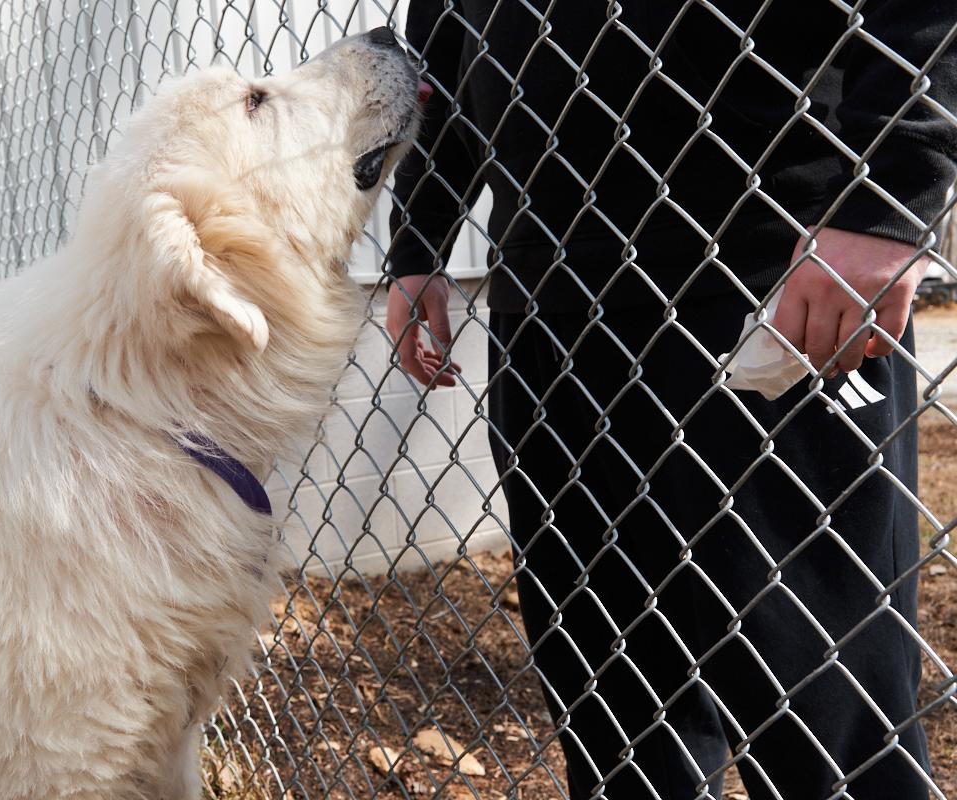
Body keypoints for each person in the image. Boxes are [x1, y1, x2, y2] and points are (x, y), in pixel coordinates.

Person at [385, 2, 957, 798]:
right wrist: (417, 239)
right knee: (620, 740)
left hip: (768, 283)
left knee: (828, 738)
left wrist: (888, 192)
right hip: (546, 303)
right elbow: (447, 53)